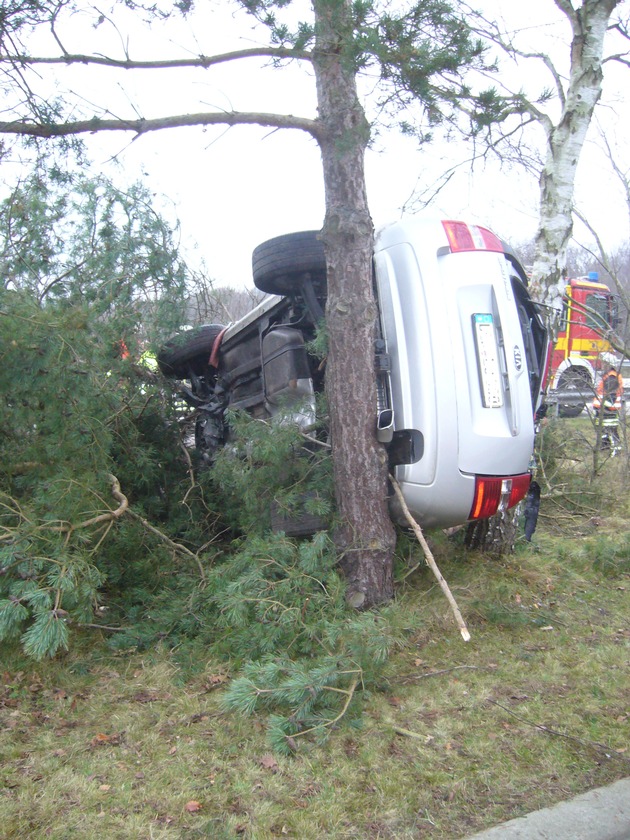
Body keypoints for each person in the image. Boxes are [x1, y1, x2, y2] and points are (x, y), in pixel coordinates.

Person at [592, 361, 624, 452]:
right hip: (606, 409)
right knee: (604, 430)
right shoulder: (609, 376)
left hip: (608, 410)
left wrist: (603, 408)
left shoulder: (611, 377)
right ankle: (604, 448)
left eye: (604, 363)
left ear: (609, 364)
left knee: (611, 431)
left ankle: (615, 452)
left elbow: (611, 397)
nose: (602, 365)